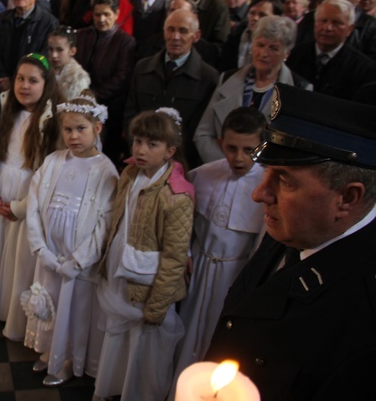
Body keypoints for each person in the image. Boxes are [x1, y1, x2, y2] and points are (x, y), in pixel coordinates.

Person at [205, 83, 376, 400]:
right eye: (266, 173)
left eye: (284, 180)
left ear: (347, 198)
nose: (260, 194)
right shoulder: (298, 229)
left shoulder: (363, 317)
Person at [94, 108, 194, 401]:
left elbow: (175, 257)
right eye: (138, 141)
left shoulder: (176, 195)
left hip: (148, 284)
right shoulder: (129, 173)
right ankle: (112, 387)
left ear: (169, 151)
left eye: (152, 144)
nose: (140, 150)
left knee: (144, 345)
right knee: (119, 338)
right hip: (121, 270)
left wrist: (158, 304)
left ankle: (136, 394)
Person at [24, 93, 118, 386]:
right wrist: (41, 249)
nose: (73, 136)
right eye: (68, 129)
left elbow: (104, 223)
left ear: (97, 129)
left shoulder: (106, 172)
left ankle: (66, 360)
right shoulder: (53, 161)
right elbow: (34, 206)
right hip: (50, 255)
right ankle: (51, 351)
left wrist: (77, 261)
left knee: (72, 310)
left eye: (81, 129)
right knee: (50, 302)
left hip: (76, 262)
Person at [173, 107, 266, 382]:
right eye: (231, 148)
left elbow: (261, 243)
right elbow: (183, 222)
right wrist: (187, 252)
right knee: (186, 330)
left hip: (233, 273)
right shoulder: (202, 175)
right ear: (219, 143)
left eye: (249, 150)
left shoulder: (267, 184)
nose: (239, 158)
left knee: (220, 335)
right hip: (199, 269)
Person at [0, 53, 63, 341]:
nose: (24, 86)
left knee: (19, 261)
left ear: (46, 84)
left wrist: (20, 207)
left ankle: (17, 320)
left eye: (33, 80)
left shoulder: (51, 122)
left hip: (27, 202)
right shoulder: (6, 111)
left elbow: (47, 176)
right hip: (2, 192)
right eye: (20, 79)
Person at [195, 15, 311, 164]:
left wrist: (254, 172)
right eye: (260, 45)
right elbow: (203, 134)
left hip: (268, 177)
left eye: (273, 48)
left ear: (286, 53)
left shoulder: (300, 89)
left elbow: (296, 147)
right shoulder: (227, 79)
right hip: (222, 169)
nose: (263, 54)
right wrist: (228, 164)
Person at [124, 8, 218, 168]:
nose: (175, 37)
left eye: (183, 31)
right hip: (141, 160)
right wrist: (139, 148)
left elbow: (200, 129)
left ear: (196, 36)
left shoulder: (208, 77)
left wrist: (171, 157)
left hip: (180, 163)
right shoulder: (142, 67)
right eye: (171, 29)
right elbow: (130, 115)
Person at [75, 0, 136, 166]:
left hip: (110, 110)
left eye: (106, 14)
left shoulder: (125, 42)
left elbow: (121, 77)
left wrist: (92, 95)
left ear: (116, 14)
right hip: (80, 105)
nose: (101, 19)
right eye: (97, 14)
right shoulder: (81, 36)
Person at [286, 0, 376, 100]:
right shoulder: (295, 54)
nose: (327, 28)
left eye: (336, 23)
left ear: (350, 29)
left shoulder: (364, 68)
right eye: (323, 21)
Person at [0, 0, 59, 94]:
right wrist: (3, 77)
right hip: (1, 86)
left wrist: (19, 80)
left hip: (31, 87)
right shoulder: (1, 20)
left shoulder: (48, 23)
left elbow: (45, 56)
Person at [47, 26, 90, 100]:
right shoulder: (41, 70)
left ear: (72, 51)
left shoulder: (79, 78)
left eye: (59, 50)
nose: (54, 55)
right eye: (50, 49)